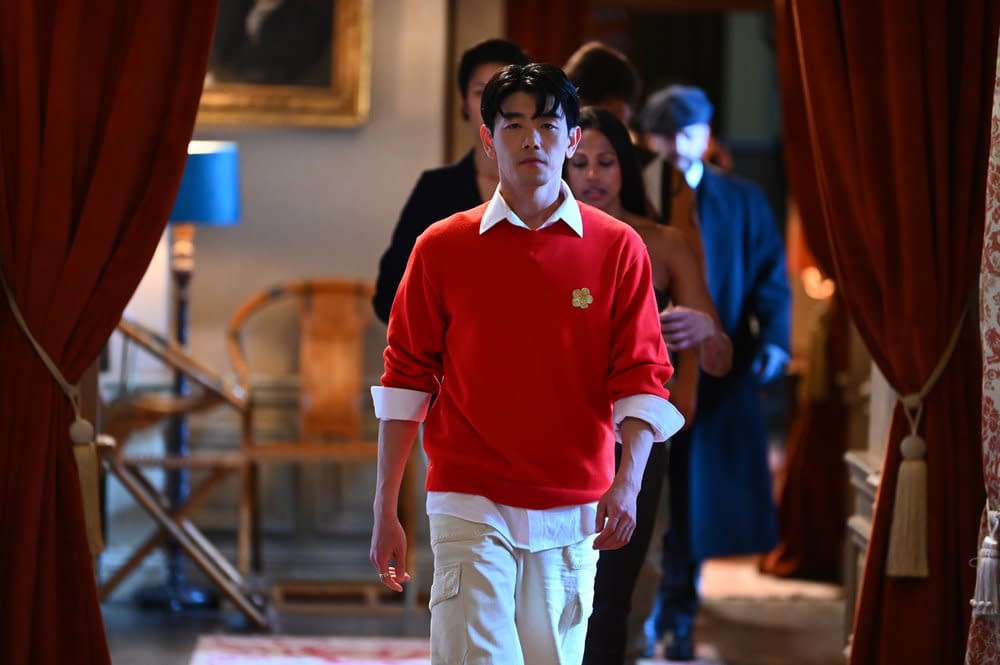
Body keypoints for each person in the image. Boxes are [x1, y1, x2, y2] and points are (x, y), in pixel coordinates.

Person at [369, 64, 684, 665]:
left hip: (575, 502)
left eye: (546, 125)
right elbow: (405, 381)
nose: (531, 140)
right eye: (512, 125)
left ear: (571, 139)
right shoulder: (441, 247)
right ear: (489, 139)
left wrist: (629, 483)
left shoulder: (619, 248)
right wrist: (385, 508)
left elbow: (643, 378)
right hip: (468, 496)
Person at [565, 106, 732, 665]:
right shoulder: (543, 237)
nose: (593, 175)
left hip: (636, 436)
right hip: (558, 431)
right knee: (549, 593)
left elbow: (720, 359)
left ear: (626, 168)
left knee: (612, 596)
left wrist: (705, 329)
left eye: (607, 161)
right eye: (581, 163)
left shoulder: (665, 243)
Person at [639, 84, 792, 660]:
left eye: (687, 133)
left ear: (706, 136)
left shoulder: (741, 198)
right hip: (643, 371)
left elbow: (770, 277)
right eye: (664, 134)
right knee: (647, 498)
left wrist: (774, 343)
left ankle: (678, 617)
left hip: (716, 372)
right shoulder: (635, 191)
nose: (676, 146)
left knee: (697, 502)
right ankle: (645, 614)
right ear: (648, 138)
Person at [371, 38, 530, 324]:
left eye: (506, 92)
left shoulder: (556, 184)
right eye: (481, 92)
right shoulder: (437, 190)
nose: (493, 105)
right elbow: (390, 292)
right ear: (464, 103)